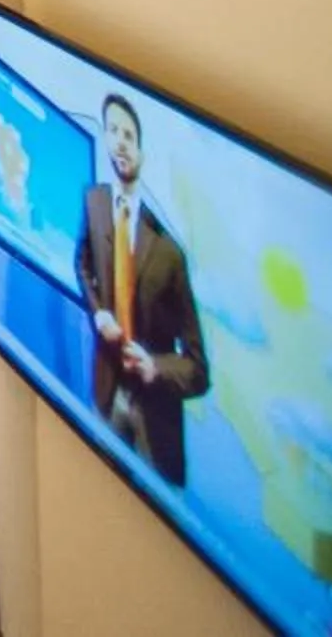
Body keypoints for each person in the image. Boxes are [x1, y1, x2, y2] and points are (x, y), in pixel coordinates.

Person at [74, 93, 209, 483]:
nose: (119, 141)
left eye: (128, 135)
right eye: (112, 131)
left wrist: (155, 368)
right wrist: (98, 310)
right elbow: (82, 263)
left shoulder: (169, 251)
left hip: (154, 418)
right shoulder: (95, 202)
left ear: (143, 151)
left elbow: (198, 369)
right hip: (106, 392)